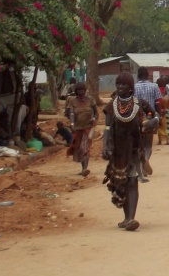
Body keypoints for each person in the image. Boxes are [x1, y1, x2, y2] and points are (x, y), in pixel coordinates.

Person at [102, 72, 154, 232]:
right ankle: (126, 218)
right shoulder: (112, 106)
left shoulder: (140, 105)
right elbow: (107, 127)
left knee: (132, 181)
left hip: (134, 150)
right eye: (118, 84)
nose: (120, 87)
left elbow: (154, 114)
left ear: (131, 88)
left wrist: (153, 121)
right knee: (121, 183)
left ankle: (131, 218)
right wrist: (105, 145)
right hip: (117, 152)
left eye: (124, 84)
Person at [65, 81, 98, 176]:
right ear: (76, 91)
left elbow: (96, 112)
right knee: (78, 148)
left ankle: (85, 169)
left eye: (82, 90)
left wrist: (94, 118)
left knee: (85, 148)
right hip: (77, 128)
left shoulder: (91, 100)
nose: (81, 92)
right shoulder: (72, 101)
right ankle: (83, 168)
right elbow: (71, 113)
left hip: (88, 128)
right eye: (79, 90)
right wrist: (72, 124)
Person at [134, 66, 161, 180]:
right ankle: (146, 160)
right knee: (148, 144)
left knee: (139, 145)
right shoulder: (154, 86)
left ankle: (141, 167)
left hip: (137, 120)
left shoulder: (133, 87)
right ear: (148, 74)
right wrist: (158, 117)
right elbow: (158, 103)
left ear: (138, 75)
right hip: (150, 119)